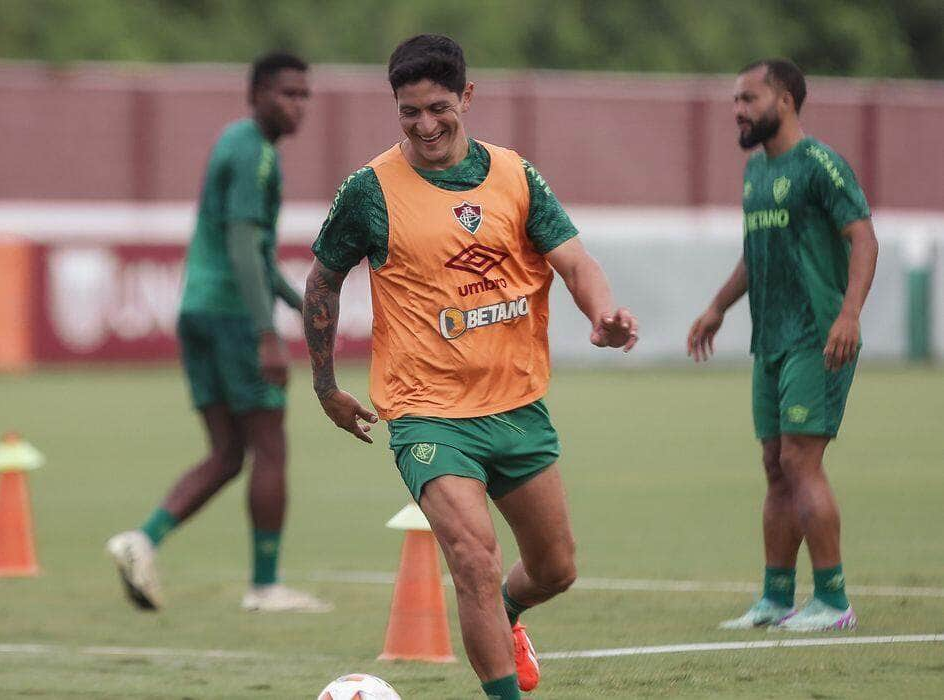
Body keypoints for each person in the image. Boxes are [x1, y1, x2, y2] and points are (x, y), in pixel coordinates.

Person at [304, 34, 638, 700]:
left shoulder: (514, 175)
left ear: (467, 96)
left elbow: (574, 260)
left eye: (437, 107)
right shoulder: (369, 192)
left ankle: (510, 617)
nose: (425, 125)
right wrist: (325, 387)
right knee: (475, 562)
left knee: (555, 568)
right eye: (409, 112)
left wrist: (603, 312)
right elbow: (322, 281)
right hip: (427, 411)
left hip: (516, 405)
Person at [106, 51, 330, 614]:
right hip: (232, 319)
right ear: (255, 94)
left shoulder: (235, 142)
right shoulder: (255, 153)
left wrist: (299, 306)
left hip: (198, 310)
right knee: (270, 446)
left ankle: (141, 540)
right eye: (286, 93)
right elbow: (241, 248)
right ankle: (266, 586)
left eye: (305, 95)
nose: (298, 105)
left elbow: (253, 252)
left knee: (229, 453)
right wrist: (266, 333)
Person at [687, 59, 878, 631]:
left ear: (785, 101)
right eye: (734, 100)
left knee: (800, 460)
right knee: (775, 466)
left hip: (818, 338)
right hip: (768, 339)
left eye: (748, 98)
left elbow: (864, 239)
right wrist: (718, 306)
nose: (738, 111)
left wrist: (849, 313)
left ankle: (834, 601)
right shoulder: (754, 172)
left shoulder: (821, 165)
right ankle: (775, 598)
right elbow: (755, 253)